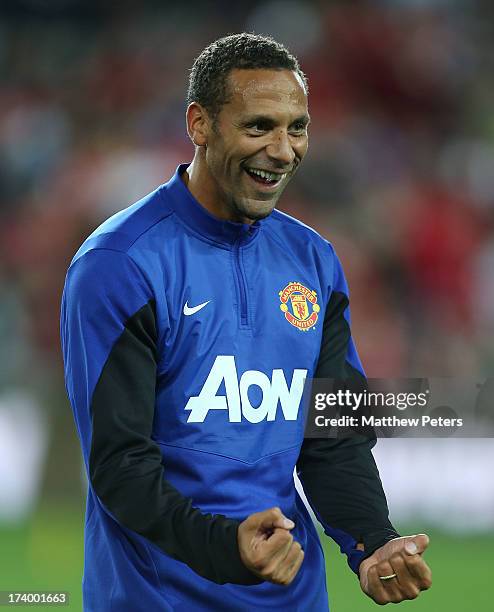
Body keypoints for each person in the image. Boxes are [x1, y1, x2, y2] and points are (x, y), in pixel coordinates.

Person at [61, 33, 432, 610]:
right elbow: (120, 465)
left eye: (297, 128)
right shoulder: (120, 264)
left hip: (292, 594)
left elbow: (331, 435)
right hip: (158, 596)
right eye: (259, 126)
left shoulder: (314, 261)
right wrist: (225, 547)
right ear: (199, 124)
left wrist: (372, 541)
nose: (283, 150)